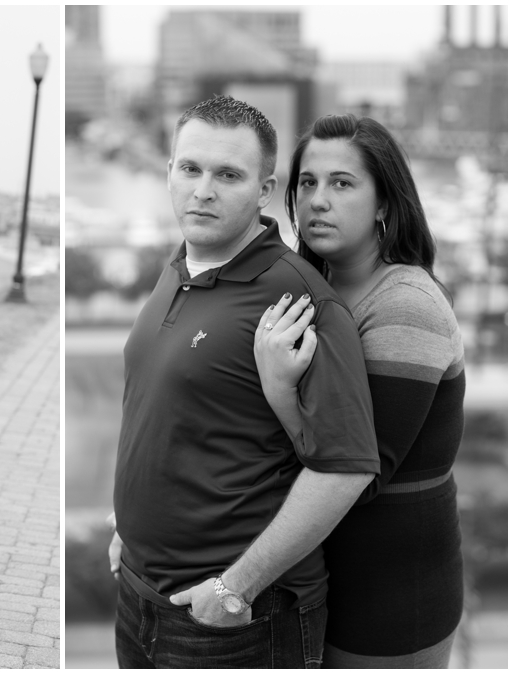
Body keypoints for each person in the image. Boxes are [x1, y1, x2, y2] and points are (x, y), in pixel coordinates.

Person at [107, 95, 382, 669]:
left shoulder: (297, 300)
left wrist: (235, 588)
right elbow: (157, 410)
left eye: (228, 175)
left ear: (263, 191)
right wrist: (128, 531)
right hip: (138, 596)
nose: (203, 189)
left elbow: (346, 466)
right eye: (190, 168)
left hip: (238, 623)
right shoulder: (178, 267)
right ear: (170, 172)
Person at [254, 113, 465, 668]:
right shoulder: (307, 290)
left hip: (389, 603)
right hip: (312, 581)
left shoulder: (405, 307)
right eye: (307, 182)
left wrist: (280, 393)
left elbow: (357, 474)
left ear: (384, 204)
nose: (317, 200)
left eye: (342, 183)